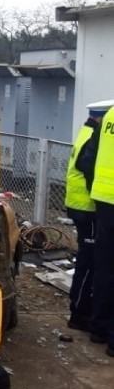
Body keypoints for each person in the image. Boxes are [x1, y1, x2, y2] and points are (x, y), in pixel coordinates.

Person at [65, 101, 110, 331]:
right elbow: (87, 166)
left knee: (90, 261)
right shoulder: (93, 136)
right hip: (88, 208)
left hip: (81, 206)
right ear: (101, 119)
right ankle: (80, 312)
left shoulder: (86, 132)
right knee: (90, 262)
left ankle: (81, 310)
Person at [76, 100, 114, 357]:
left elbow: (88, 158)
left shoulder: (110, 116)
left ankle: (99, 327)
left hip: (104, 203)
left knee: (104, 268)